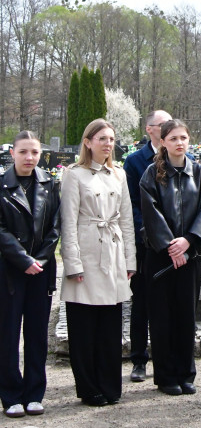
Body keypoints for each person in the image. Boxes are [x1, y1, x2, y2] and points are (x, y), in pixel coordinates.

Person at [60, 119, 136, 406]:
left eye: (111, 139)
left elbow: (127, 220)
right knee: (84, 327)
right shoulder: (74, 175)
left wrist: (130, 260)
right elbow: (68, 223)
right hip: (88, 252)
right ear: (88, 142)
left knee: (110, 326)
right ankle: (89, 387)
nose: (107, 143)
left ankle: (110, 385)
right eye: (102, 138)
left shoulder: (120, 174)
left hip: (114, 253)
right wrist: (73, 264)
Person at [140, 119, 201, 396]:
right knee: (162, 317)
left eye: (183, 137)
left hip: (192, 254)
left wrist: (188, 241)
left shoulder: (199, 173)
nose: (179, 143)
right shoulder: (151, 174)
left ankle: (186, 373)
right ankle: (166, 376)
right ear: (163, 142)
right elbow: (150, 213)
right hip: (161, 257)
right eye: (173, 138)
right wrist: (170, 246)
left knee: (186, 316)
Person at [0, 131, 60, 418]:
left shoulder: (49, 184)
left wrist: (40, 259)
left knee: (37, 334)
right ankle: (11, 394)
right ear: (13, 152)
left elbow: (56, 228)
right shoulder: (1, 185)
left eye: (34, 152)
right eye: (23, 152)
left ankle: (35, 393)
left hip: (41, 271)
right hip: (9, 273)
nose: (29, 158)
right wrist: (22, 259)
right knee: (8, 335)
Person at [123, 109, 172, 383]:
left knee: (169, 305)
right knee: (141, 303)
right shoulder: (134, 162)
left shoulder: (182, 158)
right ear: (150, 130)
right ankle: (139, 360)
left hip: (174, 245)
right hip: (146, 243)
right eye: (162, 125)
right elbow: (131, 204)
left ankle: (167, 359)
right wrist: (151, 231)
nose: (167, 128)